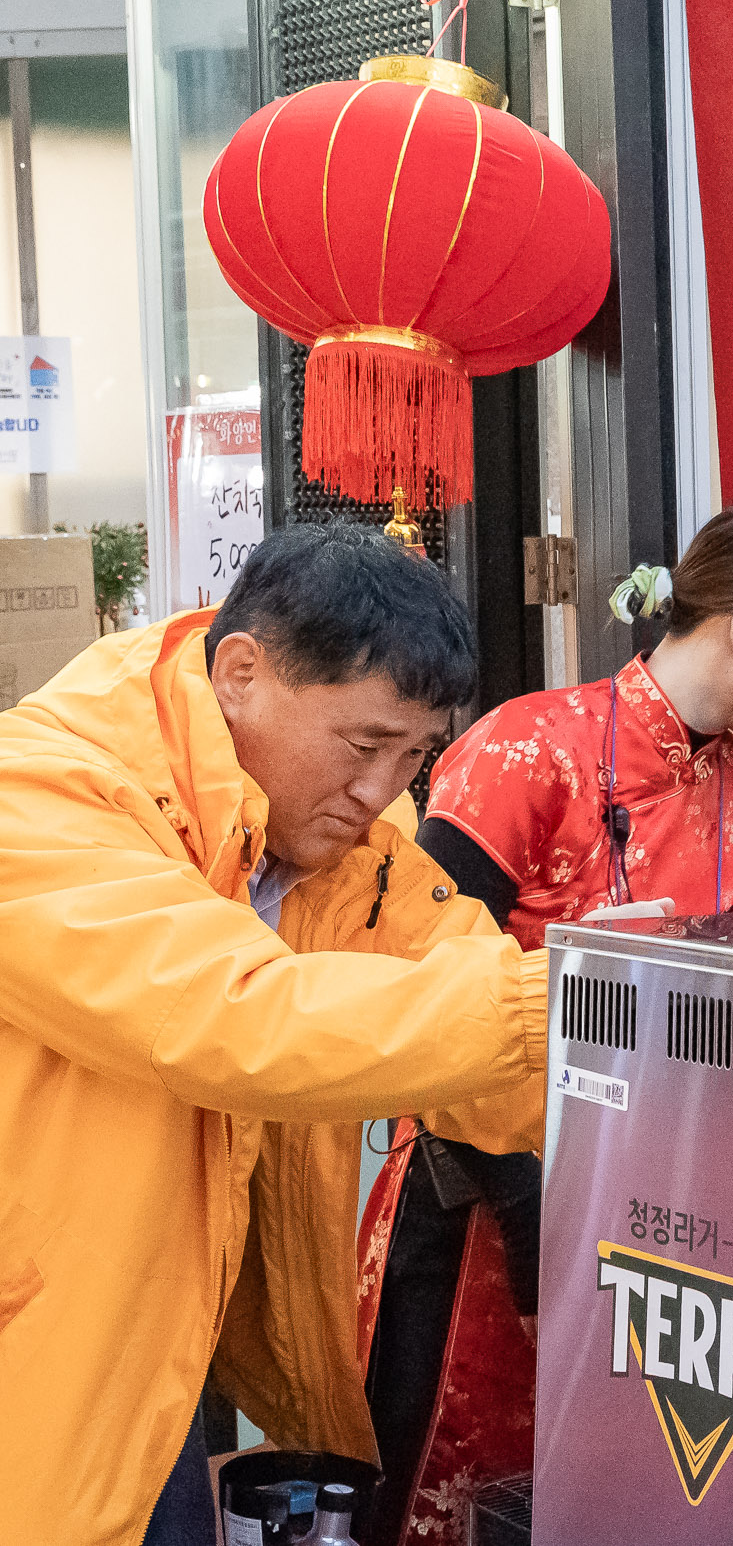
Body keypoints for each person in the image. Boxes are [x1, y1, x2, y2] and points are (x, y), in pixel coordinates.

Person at [359, 496, 733, 1545]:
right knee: (440, 1494)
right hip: (477, 1208)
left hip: (659, 1234)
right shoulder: (523, 753)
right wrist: (532, 1218)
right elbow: (411, 990)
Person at [0, 524, 546, 1546]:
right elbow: (232, 1013)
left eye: (417, 753)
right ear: (241, 672)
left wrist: (649, 1070)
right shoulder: (39, 791)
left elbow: (463, 1009)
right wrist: (545, 1003)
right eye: (364, 744)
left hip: (167, 1354)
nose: (386, 791)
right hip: (40, 1356)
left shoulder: (342, 846)